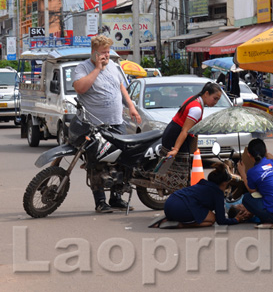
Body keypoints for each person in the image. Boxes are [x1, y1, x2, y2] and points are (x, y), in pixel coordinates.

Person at [73, 34, 142, 213]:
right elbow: (80, 88)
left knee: (123, 160)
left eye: (108, 51)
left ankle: (116, 197)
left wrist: (131, 107)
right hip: (95, 126)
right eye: (103, 52)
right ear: (94, 52)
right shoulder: (83, 67)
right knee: (97, 163)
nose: (106, 56)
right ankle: (100, 202)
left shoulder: (113, 66)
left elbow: (121, 87)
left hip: (117, 122)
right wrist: (97, 68)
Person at [149, 168, 249, 229]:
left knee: (202, 211)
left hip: (170, 203)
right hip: (180, 209)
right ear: (223, 183)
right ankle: (181, 225)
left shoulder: (203, 183)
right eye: (227, 184)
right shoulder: (217, 193)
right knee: (211, 219)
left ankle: (170, 218)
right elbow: (221, 220)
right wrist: (236, 220)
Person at [161, 82, 222, 159]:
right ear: (206, 94)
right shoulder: (196, 109)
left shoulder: (194, 99)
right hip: (175, 137)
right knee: (177, 168)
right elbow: (185, 130)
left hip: (172, 133)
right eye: (215, 98)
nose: (215, 102)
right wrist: (176, 149)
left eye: (218, 100)